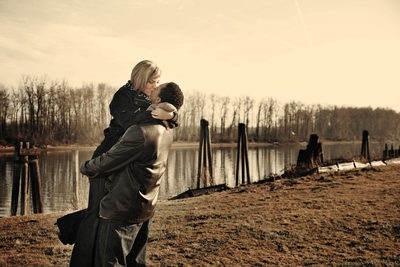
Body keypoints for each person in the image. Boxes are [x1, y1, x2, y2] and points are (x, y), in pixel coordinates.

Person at [67, 60, 178, 266]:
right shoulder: (122, 97)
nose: (155, 86)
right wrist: (161, 113)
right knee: (95, 215)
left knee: (109, 216)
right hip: (109, 154)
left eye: (157, 82)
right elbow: (131, 122)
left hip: (128, 158)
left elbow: (168, 119)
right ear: (141, 79)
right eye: (152, 81)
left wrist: (171, 113)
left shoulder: (151, 100)